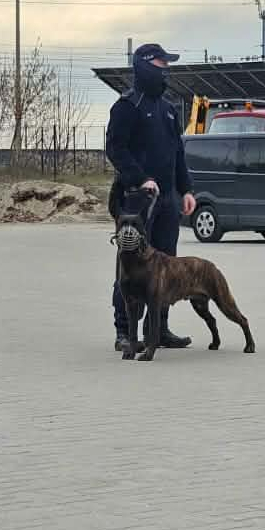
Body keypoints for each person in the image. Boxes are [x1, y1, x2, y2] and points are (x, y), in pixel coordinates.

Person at [105, 43, 198, 353]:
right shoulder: (127, 106)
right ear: (145, 65)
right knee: (131, 265)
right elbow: (116, 149)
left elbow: (178, 153)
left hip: (169, 201)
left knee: (165, 266)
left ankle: (158, 330)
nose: (166, 69)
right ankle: (124, 331)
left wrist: (185, 190)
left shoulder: (168, 109)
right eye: (162, 63)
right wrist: (141, 179)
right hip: (136, 202)